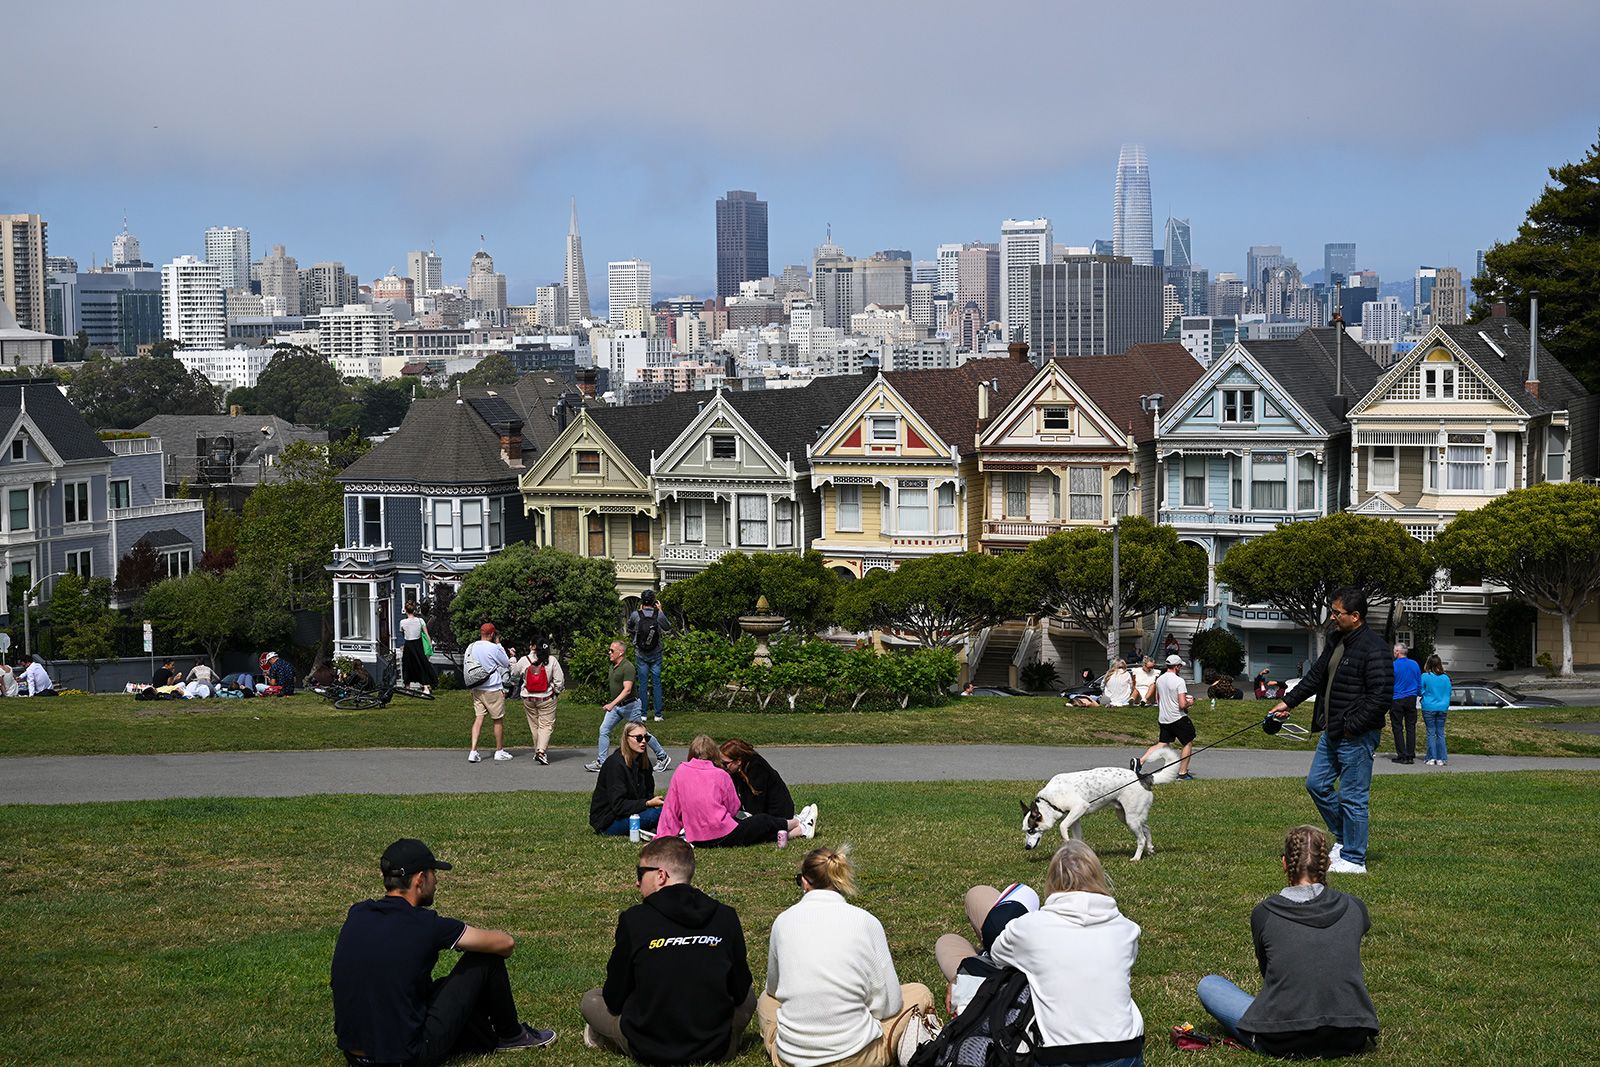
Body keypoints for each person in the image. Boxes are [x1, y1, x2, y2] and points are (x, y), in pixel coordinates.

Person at [331, 838, 557, 1064]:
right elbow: (505, 943)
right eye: (433, 874)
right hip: (406, 1057)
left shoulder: (358, 913)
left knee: (438, 987)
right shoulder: (425, 924)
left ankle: (485, 1035)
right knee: (486, 959)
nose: (436, 881)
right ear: (420, 880)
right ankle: (512, 1035)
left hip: (355, 1056)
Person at [1195, 825, 1379, 1059]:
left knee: (1210, 985)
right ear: (1328, 864)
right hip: (1351, 1034)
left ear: (1284, 863)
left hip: (1281, 1038)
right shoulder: (1355, 907)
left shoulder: (1264, 913)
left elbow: (1267, 971)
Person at [581, 836, 756, 1065]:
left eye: (640, 873)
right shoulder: (726, 916)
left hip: (648, 1047)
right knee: (751, 995)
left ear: (661, 875)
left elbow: (614, 999)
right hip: (714, 1046)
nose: (637, 883)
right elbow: (740, 990)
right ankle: (728, 1035)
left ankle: (604, 1036)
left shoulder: (634, 920)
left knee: (592, 1000)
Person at [759, 845, 937, 1067]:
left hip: (793, 1059)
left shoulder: (783, 922)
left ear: (805, 881)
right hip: (857, 1056)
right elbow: (888, 1006)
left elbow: (774, 989)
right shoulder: (866, 921)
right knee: (919, 992)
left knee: (765, 1000)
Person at [986, 841, 1145, 1067]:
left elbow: (997, 955)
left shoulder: (1029, 928)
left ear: (1051, 881)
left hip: (1059, 1056)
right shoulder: (1127, 929)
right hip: (1124, 1052)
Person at [1270, 587, 1393, 876]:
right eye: (1332, 611)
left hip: (1356, 734)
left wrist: (1351, 726)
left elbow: (1380, 697)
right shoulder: (1336, 638)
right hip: (1332, 731)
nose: (1332, 617)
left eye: (1337, 613)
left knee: (1353, 797)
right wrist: (1288, 702)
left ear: (1355, 616)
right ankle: (1347, 838)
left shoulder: (1375, 648)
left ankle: (1354, 857)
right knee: (1316, 784)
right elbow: (1315, 677)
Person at [658, 735, 815, 847]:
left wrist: (664, 836)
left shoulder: (680, 772)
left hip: (696, 837)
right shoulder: (720, 775)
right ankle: (798, 822)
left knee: (755, 829)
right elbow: (733, 807)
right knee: (760, 823)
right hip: (720, 833)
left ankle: (800, 829)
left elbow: (671, 809)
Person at [932, 882, 1040, 1017]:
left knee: (946, 942)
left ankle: (988, 955)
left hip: (1004, 994)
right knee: (977, 894)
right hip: (1020, 970)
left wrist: (963, 979)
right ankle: (989, 954)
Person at [587, 641, 670, 773]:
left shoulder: (628, 667)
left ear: (620, 652)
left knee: (641, 734)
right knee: (604, 730)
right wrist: (614, 704)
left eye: (611, 650)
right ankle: (601, 762)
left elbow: (627, 690)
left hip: (630, 706)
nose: (609, 653)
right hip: (617, 707)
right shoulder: (612, 665)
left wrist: (611, 704)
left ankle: (663, 756)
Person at [590, 723, 665, 837]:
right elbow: (618, 806)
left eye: (646, 737)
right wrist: (647, 803)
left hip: (633, 813)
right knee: (658, 815)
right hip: (609, 821)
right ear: (626, 739)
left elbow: (648, 793)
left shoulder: (644, 763)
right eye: (639, 738)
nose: (643, 741)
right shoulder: (615, 765)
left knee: (670, 810)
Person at [1134, 654, 1196, 781]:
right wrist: (1190, 702)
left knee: (1162, 743)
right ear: (1177, 667)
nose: (1181, 669)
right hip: (1178, 717)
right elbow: (1182, 704)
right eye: (1180, 666)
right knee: (1188, 743)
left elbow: (1158, 699)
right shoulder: (1179, 681)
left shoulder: (1159, 679)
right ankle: (1182, 773)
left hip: (1163, 718)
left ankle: (1140, 761)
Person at [464, 623, 513, 764]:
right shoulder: (493, 648)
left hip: (477, 688)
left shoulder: (471, 646)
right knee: (497, 719)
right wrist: (499, 645)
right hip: (493, 688)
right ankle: (499, 750)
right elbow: (505, 663)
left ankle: (473, 751)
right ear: (492, 634)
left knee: (478, 718)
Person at [511, 642, 564, 765]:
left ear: (532, 646)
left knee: (534, 725)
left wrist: (513, 659)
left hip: (528, 698)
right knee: (546, 725)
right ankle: (541, 752)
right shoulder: (551, 660)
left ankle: (538, 751)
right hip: (546, 698)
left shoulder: (524, 660)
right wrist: (556, 692)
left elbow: (514, 673)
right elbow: (559, 681)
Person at [720, 738, 796, 821]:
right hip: (761, 814)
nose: (723, 766)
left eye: (725, 763)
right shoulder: (737, 770)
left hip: (778, 815)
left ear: (738, 761)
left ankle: (801, 827)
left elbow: (755, 806)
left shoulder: (757, 769)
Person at [627, 590, 672, 723]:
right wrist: (661, 610)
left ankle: (643, 714)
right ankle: (658, 714)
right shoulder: (658, 615)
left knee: (643, 684)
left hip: (641, 654)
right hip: (656, 653)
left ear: (642, 601)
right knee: (657, 684)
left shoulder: (636, 615)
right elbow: (668, 627)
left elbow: (629, 627)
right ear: (654, 602)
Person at [1388, 644, 1422, 765]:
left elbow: (1389, 683)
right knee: (1411, 727)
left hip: (1397, 698)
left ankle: (1402, 754)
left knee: (1397, 727)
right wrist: (1418, 693)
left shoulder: (1393, 665)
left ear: (1397, 652)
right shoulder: (1414, 664)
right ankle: (1410, 754)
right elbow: (1419, 681)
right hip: (1411, 698)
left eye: (1394, 651)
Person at [1419, 655, 1452, 767]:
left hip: (1429, 707)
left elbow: (1419, 690)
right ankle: (1442, 758)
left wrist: (1424, 694)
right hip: (1442, 707)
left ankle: (1431, 757)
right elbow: (1449, 692)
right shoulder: (1446, 678)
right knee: (1440, 733)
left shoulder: (1425, 676)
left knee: (1431, 733)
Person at [399, 603, 437, 695]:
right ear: (414, 610)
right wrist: (429, 645)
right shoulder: (420, 620)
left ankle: (407, 687)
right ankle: (425, 687)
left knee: (407, 666)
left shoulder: (403, 622)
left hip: (408, 645)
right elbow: (426, 634)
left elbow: (403, 633)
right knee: (421, 665)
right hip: (418, 644)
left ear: (405, 610)